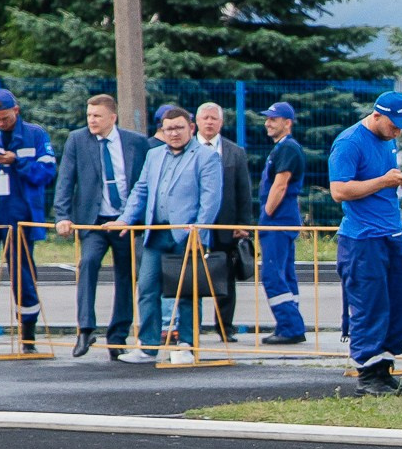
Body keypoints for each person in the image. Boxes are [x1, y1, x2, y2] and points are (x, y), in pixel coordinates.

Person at [104, 104, 222, 365]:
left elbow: (210, 199)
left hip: (187, 236)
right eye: (169, 129)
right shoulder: (154, 155)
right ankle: (148, 346)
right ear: (162, 131)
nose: (174, 133)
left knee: (187, 292)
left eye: (179, 128)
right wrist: (124, 219)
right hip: (156, 234)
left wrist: (199, 230)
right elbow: (141, 191)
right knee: (147, 288)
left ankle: (186, 345)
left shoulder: (206, 156)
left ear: (191, 128)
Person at [329, 91, 402, 396]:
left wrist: (400, 181)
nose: (399, 131)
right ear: (377, 115)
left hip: (391, 234)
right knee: (370, 305)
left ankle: (384, 370)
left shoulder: (388, 139)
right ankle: (367, 374)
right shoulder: (349, 142)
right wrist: (384, 181)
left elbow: (384, 181)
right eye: (395, 124)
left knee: (397, 306)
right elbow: (339, 190)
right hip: (362, 239)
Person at [51, 94, 149, 358]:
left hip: (125, 221)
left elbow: (143, 182)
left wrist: (135, 217)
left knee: (127, 275)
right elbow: (66, 180)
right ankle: (85, 328)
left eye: (97, 116)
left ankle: (118, 336)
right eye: (89, 115)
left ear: (112, 118)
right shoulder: (78, 140)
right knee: (88, 263)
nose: (91, 120)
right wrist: (62, 215)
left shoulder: (136, 143)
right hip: (93, 221)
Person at [0, 87, 55, 351]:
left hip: (20, 216)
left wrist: (17, 161)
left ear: (16, 110)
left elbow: (47, 172)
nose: (0, 123)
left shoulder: (35, 135)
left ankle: (28, 337)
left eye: (4, 118)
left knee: (22, 276)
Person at [195, 103, 254, 342]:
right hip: (195, 224)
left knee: (226, 278)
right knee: (191, 276)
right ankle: (191, 329)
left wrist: (243, 223)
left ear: (221, 123)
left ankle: (224, 327)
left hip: (225, 224)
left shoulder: (234, 152)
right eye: (205, 118)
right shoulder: (187, 149)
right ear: (197, 122)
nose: (209, 122)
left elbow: (244, 190)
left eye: (214, 119)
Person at [255, 101, 308, 345]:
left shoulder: (287, 148)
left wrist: (267, 213)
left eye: (273, 119)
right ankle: (290, 323)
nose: (268, 123)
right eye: (267, 118)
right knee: (285, 274)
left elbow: (281, 183)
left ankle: (290, 326)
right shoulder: (284, 147)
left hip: (277, 219)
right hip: (284, 218)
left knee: (272, 274)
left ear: (287, 123)